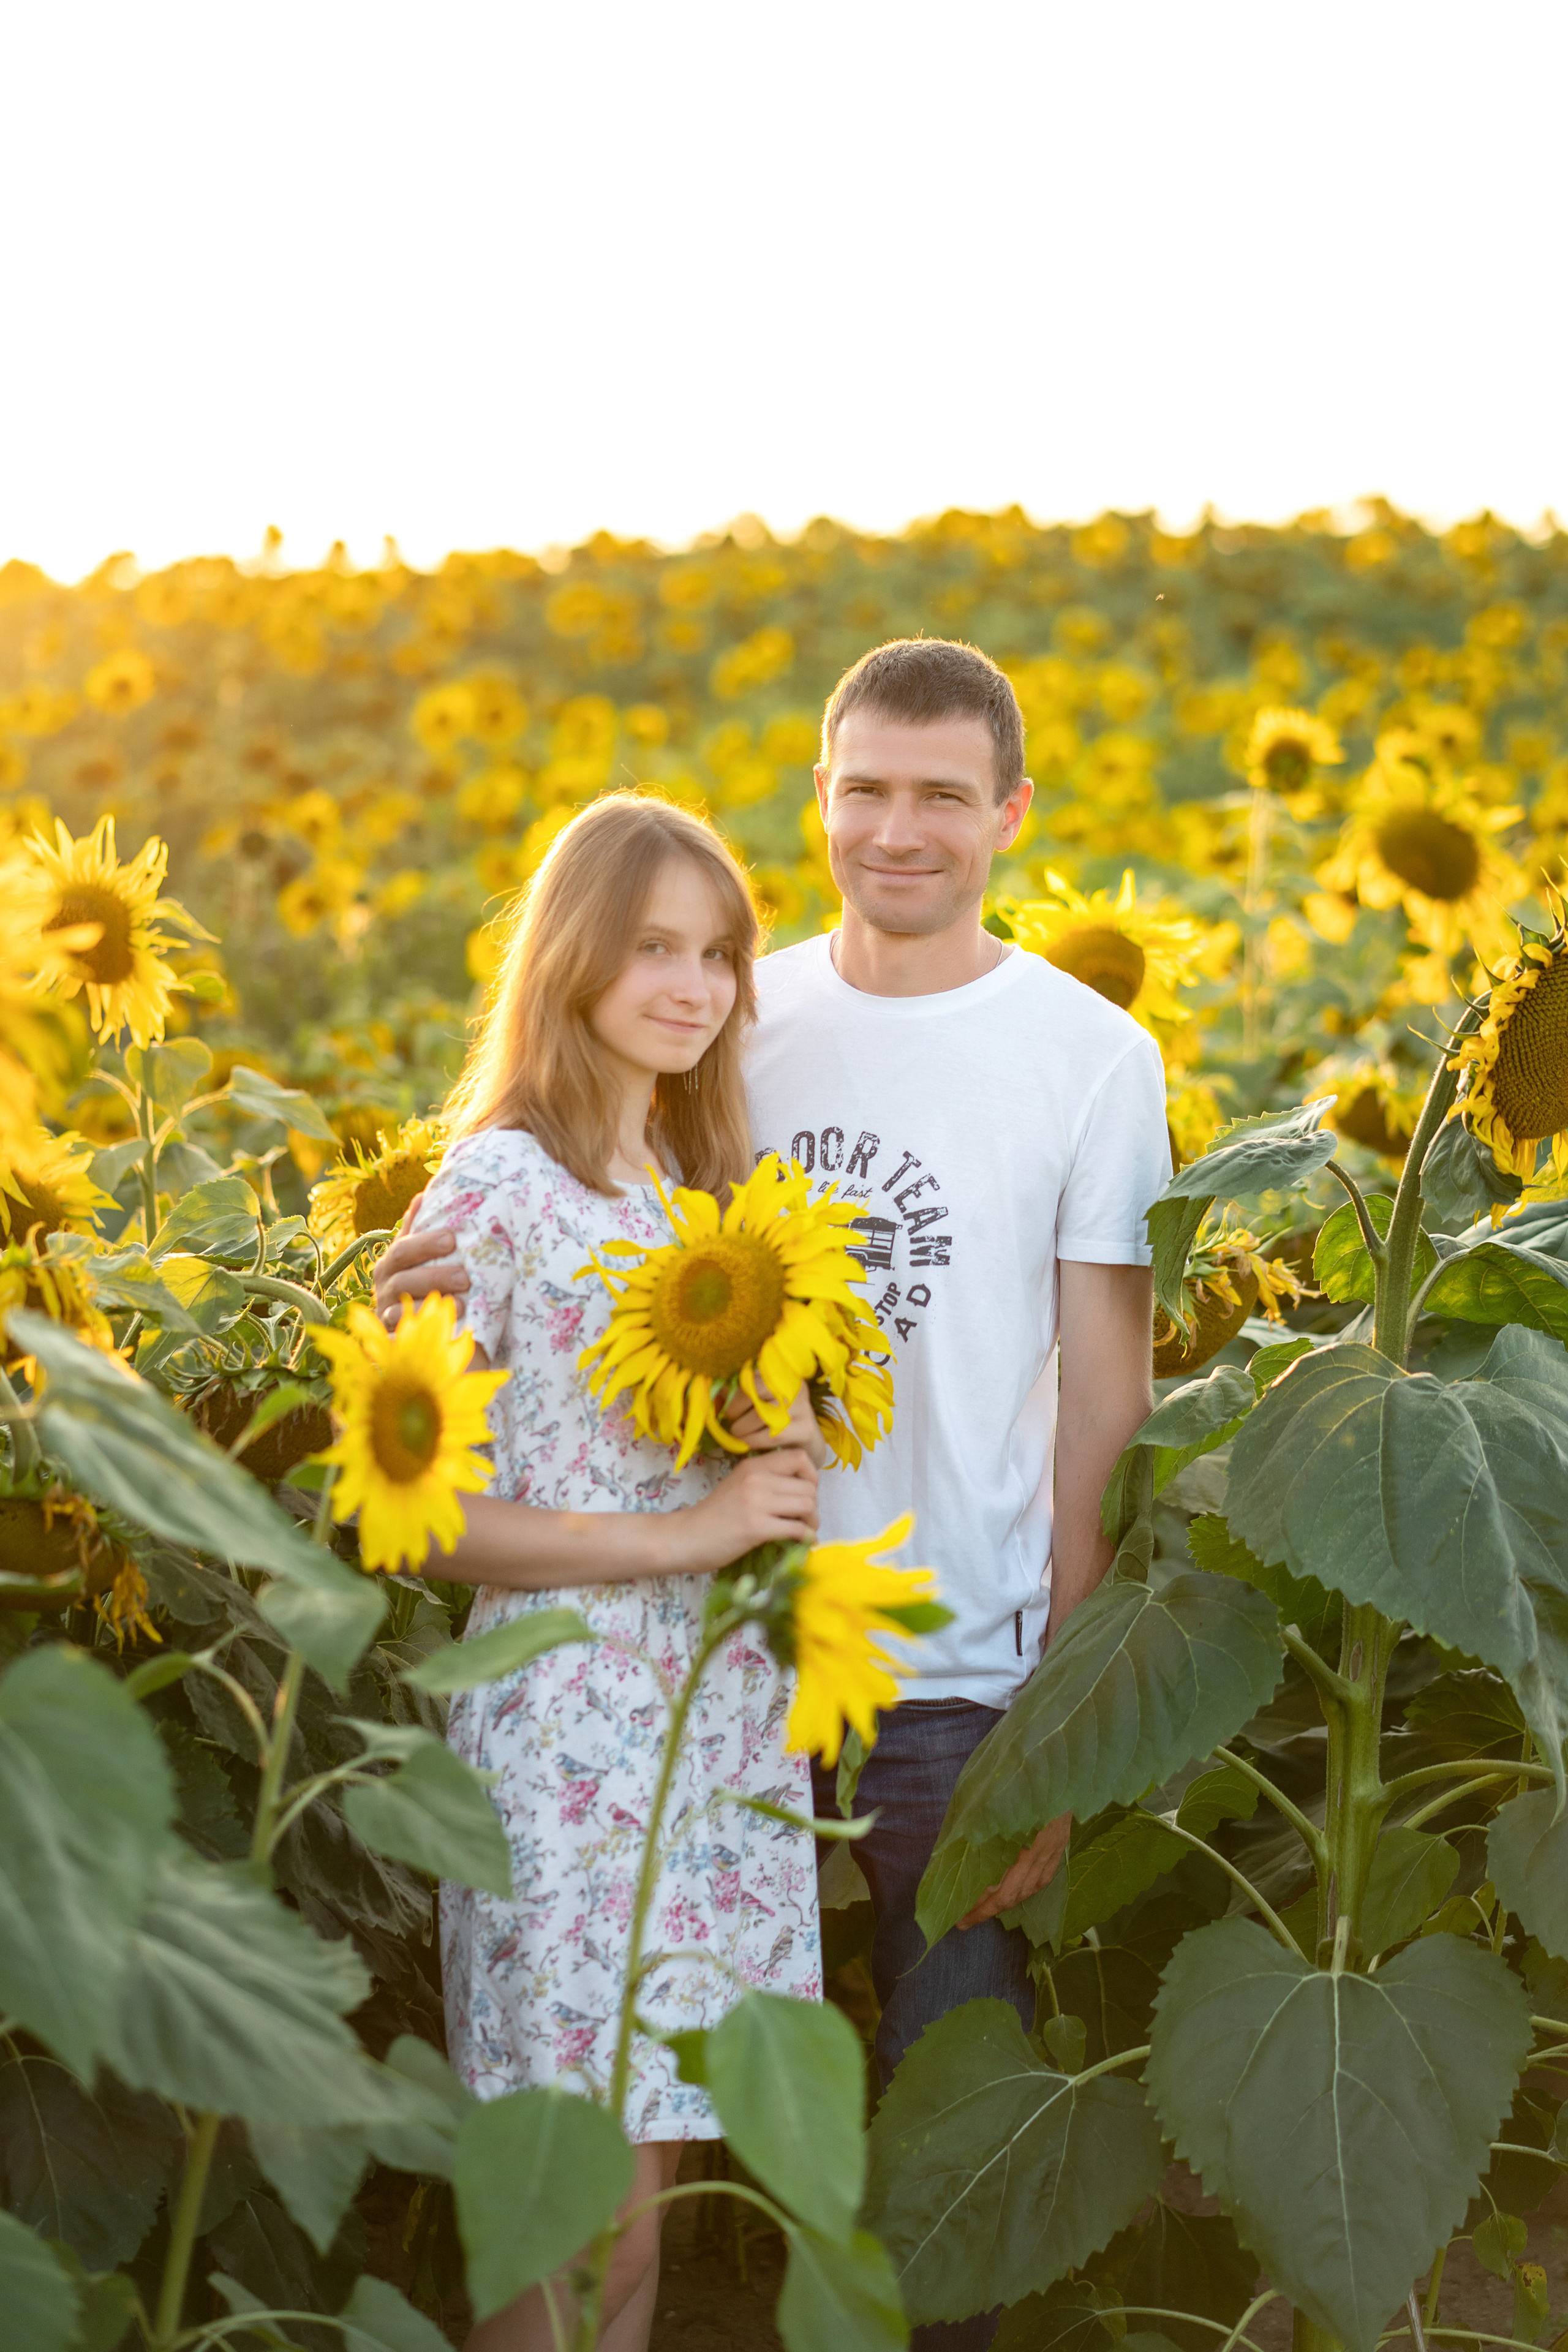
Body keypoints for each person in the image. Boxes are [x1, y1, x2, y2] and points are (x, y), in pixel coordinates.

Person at [380, 641, 1169, 2352]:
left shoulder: (1082, 1056)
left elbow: (1111, 1396)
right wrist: (406, 1329)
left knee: (910, 2131)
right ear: (818, 799)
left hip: (939, 1670)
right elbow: (485, 1361)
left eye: (943, 794)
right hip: (673, 1693)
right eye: (865, 787)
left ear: (1012, 814)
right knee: (609, 2182)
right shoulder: (708, 1050)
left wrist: (1071, 1707)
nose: (900, 828)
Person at [393, 793, 825, 2352]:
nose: (694, 985)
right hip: (566, 1733)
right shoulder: (494, 1190)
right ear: (572, 956)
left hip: (704, 1743)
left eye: (718, 954)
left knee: (639, 2233)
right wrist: (682, 1538)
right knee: (567, 2235)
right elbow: (423, 1521)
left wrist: (769, 1445)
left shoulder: (687, 1199)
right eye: (652, 946)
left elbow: (726, 1476)